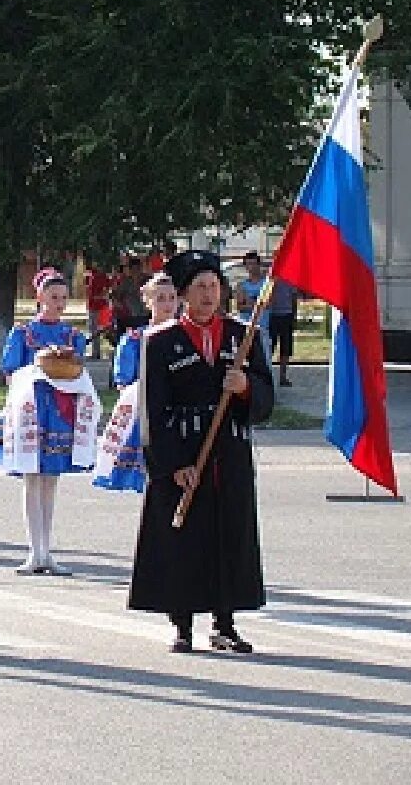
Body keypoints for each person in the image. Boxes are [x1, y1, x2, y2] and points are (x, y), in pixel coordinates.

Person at [128, 249, 273, 654]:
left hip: (229, 454)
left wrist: (245, 387)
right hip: (184, 453)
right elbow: (153, 411)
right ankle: (182, 624)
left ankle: (225, 622)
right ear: (184, 294)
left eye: (214, 286)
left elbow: (265, 399)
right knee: (184, 539)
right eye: (200, 288)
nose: (209, 295)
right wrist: (172, 465)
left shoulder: (243, 336)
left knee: (229, 535)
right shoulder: (160, 342)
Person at [0, 267, 97, 575]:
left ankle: (47, 550)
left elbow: (78, 371)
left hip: (60, 412)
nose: (59, 303)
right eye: (53, 297)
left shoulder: (72, 335)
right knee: (32, 479)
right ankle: (34, 550)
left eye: (63, 298)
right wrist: (38, 366)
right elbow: (9, 371)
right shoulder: (23, 333)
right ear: (39, 297)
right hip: (32, 410)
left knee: (51, 481)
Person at [92, 272, 177, 493]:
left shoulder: (185, 336)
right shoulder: (136, 338)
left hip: (179, 412)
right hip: (146, 412)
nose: (167, 304)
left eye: (172, 297)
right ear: (148, 302)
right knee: (151, 476)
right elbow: (124, 381)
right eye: (160, 298)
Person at [236, 251, 272, 365]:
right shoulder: (242, 285)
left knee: (265, 360)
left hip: (262, 327)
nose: (251, 267)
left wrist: (250, 301)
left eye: (253, 264)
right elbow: (240, 307)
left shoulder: (266, 284)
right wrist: (257, 303)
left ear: (259, 265)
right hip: (246, 327)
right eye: (248, 264)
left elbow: (268, 303)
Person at [266, 278, 299, 387]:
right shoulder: (270, 278)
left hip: (287, 315)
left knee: (286, 348)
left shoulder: (290, 279)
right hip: (273, 315)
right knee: (270, 347)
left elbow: (294, 298)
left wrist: (294, 315)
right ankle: (266, 375)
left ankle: (283, 377)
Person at [84, 257, 113, 361]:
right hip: (92, 306)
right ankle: (95, 351)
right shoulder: (90, 274)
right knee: (92, 330)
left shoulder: (101, 276)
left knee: (97, 330)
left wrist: (101, 296)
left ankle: (97, 353)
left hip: (99, 306)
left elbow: (109, 289)